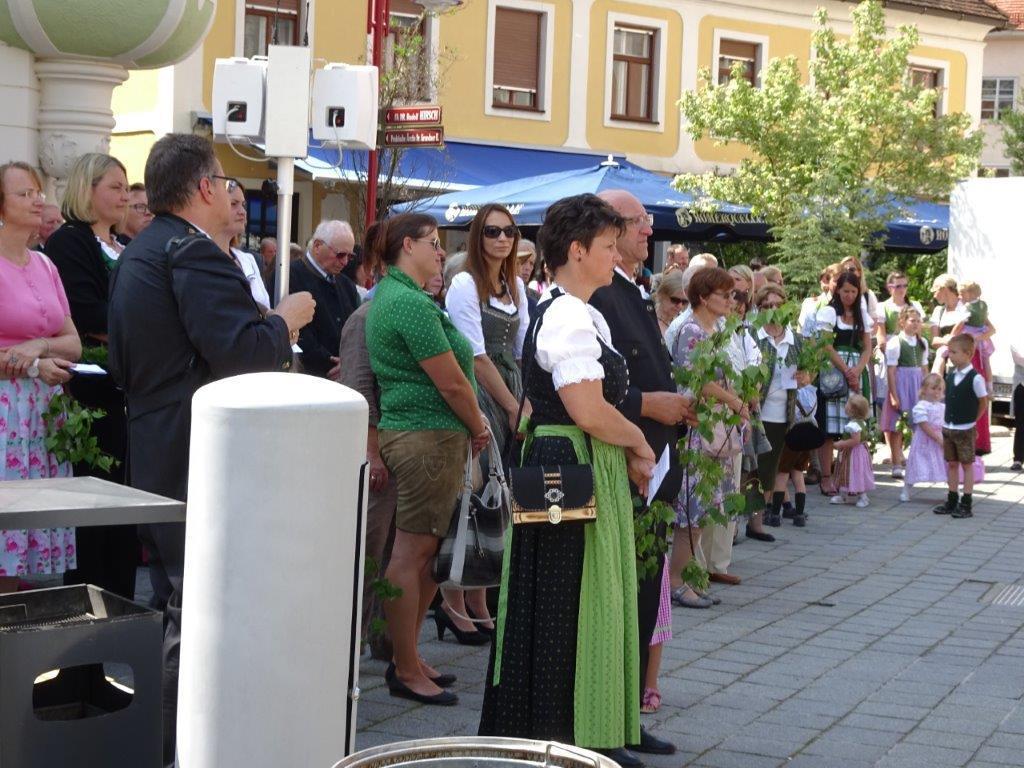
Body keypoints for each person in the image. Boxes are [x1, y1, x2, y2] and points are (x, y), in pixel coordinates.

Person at [107, 133, 314, 764]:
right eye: (225, 181)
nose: (230, 192)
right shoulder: (191, 252)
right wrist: (284, 320)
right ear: (203, 187)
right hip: (198, 452)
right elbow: (241, 351)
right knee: (196, 611)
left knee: (179, 602)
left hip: (159, 441)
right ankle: (181, 748)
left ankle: (173, 744)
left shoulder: (144, 249)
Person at [479, 193, 655, 767]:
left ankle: (573, 731)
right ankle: (566, 735)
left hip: (568, 459)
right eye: (607, 246)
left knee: (567, 595)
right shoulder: (568, 315)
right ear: (577, 251)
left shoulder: (571, 308)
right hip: (569, 462)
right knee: (569, 598)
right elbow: (588, 409)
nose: (616, 256)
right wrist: (638, 440)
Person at [365, 212, 489, 707]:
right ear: (407, 246)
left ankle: (410, 658)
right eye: (433, 243)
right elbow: (452, 382)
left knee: (425, 556)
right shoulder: (408, 303)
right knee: (413, 554)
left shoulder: (398, 297)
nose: (441, 252)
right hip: (426, 437)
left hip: (426, 435)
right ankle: (404, 666)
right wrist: (478, 425)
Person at [590, 189, 690, 761]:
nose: (648, 231)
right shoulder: (597, 294)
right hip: (626, 463)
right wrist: (651, 407)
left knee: (645, 594)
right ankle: (609, 720)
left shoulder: (628, 287)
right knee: (623, 598)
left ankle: (626, 714)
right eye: (638, 222)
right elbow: (590, 392)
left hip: (653, 463)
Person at [46, 152, 138, 599]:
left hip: (126, 390)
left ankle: (120, 612)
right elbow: (85, 312)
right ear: (88, 189)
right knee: (95, 516)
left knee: (123, 517)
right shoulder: (71, 242)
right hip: (90, 394)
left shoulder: (125, 245)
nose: (125, 197)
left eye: (126, 188)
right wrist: (144, 324)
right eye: (115, 187)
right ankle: (87, 622)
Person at [443, 204, 530, 642]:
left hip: (510, 385)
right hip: (479, 391)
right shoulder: (464, 284)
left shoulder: (515, 285)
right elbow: (474, 357)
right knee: (472, 492)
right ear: (478, 236)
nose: (502, 239)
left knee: (498, 494)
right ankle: (452, 602)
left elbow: (522, 348)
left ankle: (480, 598)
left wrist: (525, 399)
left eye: (509, 231)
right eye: (492, 231)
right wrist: (513, 406)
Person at [0, 161, 81, 593]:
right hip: (5, 412)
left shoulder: (46, 265)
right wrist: (33, 364)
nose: (37, 200)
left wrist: (40, 347)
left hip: (41, 410)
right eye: (24, 194)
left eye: (38, 192)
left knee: (25, 534)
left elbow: (74, 343)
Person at [669, 268, 748, 610]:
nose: (732, 300)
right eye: (725, 294)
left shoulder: (716, 330)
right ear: (703, 296)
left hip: (715, 428)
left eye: (733, 294)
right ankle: (676, 581)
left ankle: (689, 578)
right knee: (692, 509)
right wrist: (733, 401)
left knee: (703, 510)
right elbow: (696, 380)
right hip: (695, 427)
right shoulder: (690, 330)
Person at [337, 236, 397, 660]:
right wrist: (372, 453)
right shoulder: (364, 318)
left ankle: (384, 639)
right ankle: (350, 644)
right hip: (377, 453)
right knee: (368, 551)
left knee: (390, 551)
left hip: (402, 449)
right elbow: (358, 387)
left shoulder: (404, 311)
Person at [279, 220, 360, 380]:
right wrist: (330, 362)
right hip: (305, 377)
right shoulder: (288, 277)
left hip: (343, 374)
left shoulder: (346, 285)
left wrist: (348, 361)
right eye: (340, 254)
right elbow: (294, 331)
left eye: (350, 256)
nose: (345, 262)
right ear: (317, 246)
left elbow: (355, 330)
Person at [815, 271, 872, 496]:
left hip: (856, 368)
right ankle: (826, 477)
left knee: (854, 426)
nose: (849, 295)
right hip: (834, 371)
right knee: (830, 428)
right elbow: (826, 345)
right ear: (837, 290)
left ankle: (849, 476)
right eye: (845, 290)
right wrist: (846, 370)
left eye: (853, 291)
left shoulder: (861, 315)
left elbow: (867, 347)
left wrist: (857, 370)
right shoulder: (829, 312)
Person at [753, 284, 802, 528]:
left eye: (778, 305)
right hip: (758, 411)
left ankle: (758, 520)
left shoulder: (795, 340)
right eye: (767, 306)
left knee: (772, 469)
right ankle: (751, 520)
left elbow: (807, 369)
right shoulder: (753, 336)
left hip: (784, 413)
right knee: (756, 468)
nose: (773, 309)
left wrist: (806, 377)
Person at [901, 374, 984, 502]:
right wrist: (937, 438)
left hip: (943, 439)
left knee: (948, 465)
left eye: (939, 389)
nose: (937, 392)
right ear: (924, 390)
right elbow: (924, 425)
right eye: (933, 388)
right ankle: (906, 489)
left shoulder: (943, 407)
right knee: (917, 465)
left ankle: (953, 491)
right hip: (925, 442)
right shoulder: (921, 407)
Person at [932, 334, 988, 519]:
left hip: (965, 429)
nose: (950, 355)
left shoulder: (975, 378)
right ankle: (952, 499)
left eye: (954, 352)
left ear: (968, 354)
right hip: (949, 427)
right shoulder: (951, 375)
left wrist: (972, 420)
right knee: (952, 464)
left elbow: (983, 402)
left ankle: (966, 503)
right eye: (949, 352)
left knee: (967, 465)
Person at [880, 306, 929, 479]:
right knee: (898, 426)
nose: (916, 324)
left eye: (918, 321)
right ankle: (896, 464)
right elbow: (891, 371)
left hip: (917, 385)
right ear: (902, 322)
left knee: (919, 425)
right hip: (902, 384)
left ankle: (917, 463)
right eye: (912, 320)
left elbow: (924, 368)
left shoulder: (922, 343)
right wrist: (894, 395)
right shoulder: (896, 342)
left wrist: (928, 390)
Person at [218, 180, 271, 309]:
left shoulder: (250, 260)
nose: (242, 211)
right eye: (233, 204)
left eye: (243, 205)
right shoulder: (200, 256)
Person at [774, 371, 817, 526]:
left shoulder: (794, 394)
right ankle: (799, 514)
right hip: (807, 437)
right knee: (798, 474)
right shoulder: (812, 393)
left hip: (792, 436)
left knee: (782, 473)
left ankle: (774, 514)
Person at [829, 394, 874, 508]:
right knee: (846, 472)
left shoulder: (853, 425)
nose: (845, 406)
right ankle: (843, 495)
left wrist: (841, 444)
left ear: (853, 410)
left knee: (854, 472)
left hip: (854, 454)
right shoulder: (860, 422)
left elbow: (855, 440)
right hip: (858, 452)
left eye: (847, 404)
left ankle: (863, 497)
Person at [952, 280, 995, 383]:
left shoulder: (967, 308)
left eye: (962, 294)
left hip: (970, 334)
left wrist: (952, 335)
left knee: (966, 356)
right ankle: (989, 384)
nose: (959, 297)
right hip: (982, 333)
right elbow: (985, 321)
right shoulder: (983, 305)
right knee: (986, 361)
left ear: (970, 294)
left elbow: (960, 324)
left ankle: (962, 376)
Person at [929, 274, 963, 375]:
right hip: (946, 362)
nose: (934, 296)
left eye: (935, 291)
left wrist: (946, 340)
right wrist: (948, 340)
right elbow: (934, 341)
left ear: (944, 288)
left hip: (966, 360)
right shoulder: (938, 311)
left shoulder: (965, 307)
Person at [652, 268, 687, 335]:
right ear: (661, 295)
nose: (680, 306)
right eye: (675, 300)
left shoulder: (684, 324)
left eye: (684, 302)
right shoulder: (646, 318)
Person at [1013, 343, 1024, 472]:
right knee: (1020, 425)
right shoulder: (1018, 339)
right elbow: (1019, 358)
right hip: (1022, 386)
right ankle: (1018, 459)